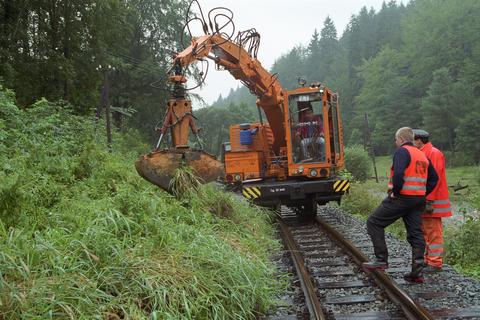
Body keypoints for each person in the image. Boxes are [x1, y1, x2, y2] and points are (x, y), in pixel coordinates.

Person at [363, 127, 438, 283]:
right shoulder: (422, 155)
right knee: (416, 234)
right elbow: (434, 178)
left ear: (402, 139)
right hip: (418, 200)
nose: (395, 142)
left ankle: (381, 259)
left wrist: (396, 191)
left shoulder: (402, 151)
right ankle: (417, 273)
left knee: (374, 222)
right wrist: (423, 193)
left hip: (402, 198)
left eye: (396, 139)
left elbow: (398, 174)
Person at [413, 129, 452, 273]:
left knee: (433, 232)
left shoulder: (433, 153)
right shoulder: (424, 152)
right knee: (425, 231)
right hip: (427, 200)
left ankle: (435, 264)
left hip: (433, 201)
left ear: (418, 140)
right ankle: (429, 260)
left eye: (412, 140)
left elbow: (434, 179)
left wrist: (429, 200)